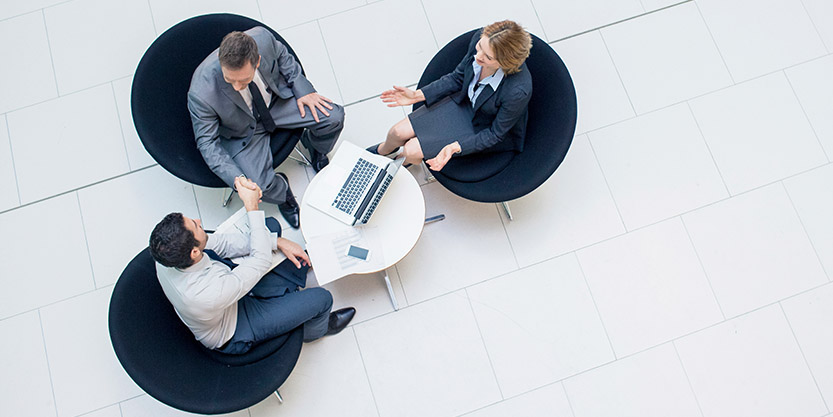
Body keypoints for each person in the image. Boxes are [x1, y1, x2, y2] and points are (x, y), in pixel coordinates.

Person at [149, 176, 355, 354]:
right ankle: (313, 331)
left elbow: (219, 243)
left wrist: (276, 241)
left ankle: (287, 287)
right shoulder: (206, 294)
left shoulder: (167, 257)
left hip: (224, 292)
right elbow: (260, 261)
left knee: (269, 229)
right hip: (234, 326)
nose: (198, 220)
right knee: (322, 299)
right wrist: (252, 207)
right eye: (195, 225)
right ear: (194, 253)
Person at [188, 28, 345, 228]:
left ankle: (316, 147)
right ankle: (283, 193)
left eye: (243, 80)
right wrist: (238, 181)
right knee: (260, 186)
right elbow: (207, 143)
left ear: (258, 61)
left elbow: (283, 56)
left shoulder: (263, 38)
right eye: (230, 80)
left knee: (334, 117)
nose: (237, 87)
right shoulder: (201, 93)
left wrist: (302, 89)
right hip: (242, 131)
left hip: (277, 104)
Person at [373, 20, 532, 172]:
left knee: (410, 151)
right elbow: (457, 78)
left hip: (483, 125)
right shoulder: (480, 41)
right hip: (463, 103)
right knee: (396, 132)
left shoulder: (517, 91)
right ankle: (382, 152)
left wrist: (455, 147)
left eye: (488, 57)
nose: (478, 57)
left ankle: (397, 165)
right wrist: (416, 96)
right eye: (480, 47)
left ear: (504, 64)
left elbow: (495, 134)